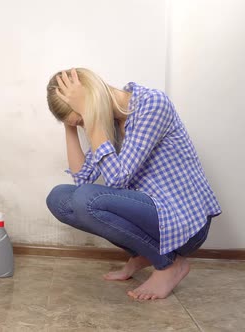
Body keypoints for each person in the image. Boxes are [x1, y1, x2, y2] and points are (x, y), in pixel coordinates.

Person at [45, 68, 221, 300]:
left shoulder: (152, 104)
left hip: (183, 222)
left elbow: (117, 178)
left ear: (91, 101)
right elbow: (82, 178)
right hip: (154, 219)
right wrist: (70, 125)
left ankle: (169, 264)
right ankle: (144, 254)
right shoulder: (110, 122)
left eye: (82, 121)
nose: (84, 126)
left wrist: (88, 114)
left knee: (86, 199)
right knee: (59, 198)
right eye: (80, 123)